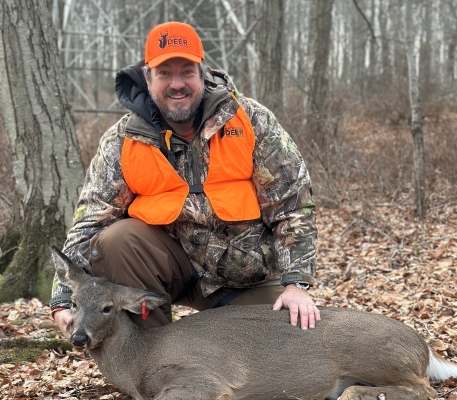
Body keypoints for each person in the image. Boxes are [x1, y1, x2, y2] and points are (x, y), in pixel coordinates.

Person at [51, 21, 319, 338]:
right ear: (148, 77)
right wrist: (64, 297)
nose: (177, 84)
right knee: (116, 239)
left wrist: (296, 283)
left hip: (245, 275)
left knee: (291, 349)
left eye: (187, 71)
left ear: (202, 73)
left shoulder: (251, 120)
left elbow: (293, 206)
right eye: (165, 73)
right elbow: (91, 217)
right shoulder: (123, 139)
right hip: (169, 273)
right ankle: (152, 359)